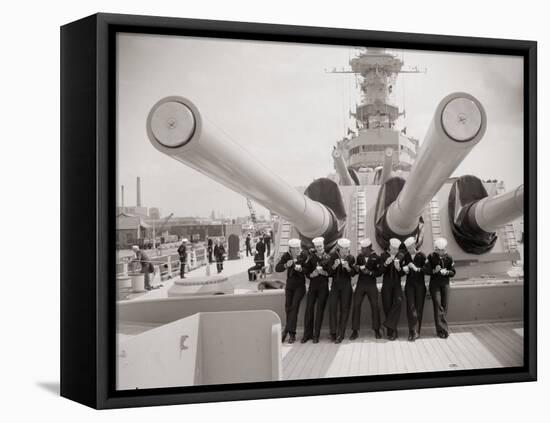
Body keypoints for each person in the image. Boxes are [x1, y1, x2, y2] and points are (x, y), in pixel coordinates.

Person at [275, 238, 308, 344]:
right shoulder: (286, 256)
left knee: (294, 307)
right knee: (288, 308)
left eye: (299, 248)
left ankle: (289, 333)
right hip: (289, 286)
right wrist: (286, 265)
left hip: (300, 286)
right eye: (295, 249)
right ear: (290, 249)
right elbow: (277, 268)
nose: (298, 250)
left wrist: (301, 269)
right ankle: (289, 332)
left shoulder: (303, 256)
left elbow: (308, 269)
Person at [350, 238, 382, 340]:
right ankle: (355, 331)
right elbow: (356, 271)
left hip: (371, 284)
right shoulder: (359, 257)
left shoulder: (376, 258)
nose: (361, 250)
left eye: (363, 248)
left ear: (368, 248)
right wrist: (355, 269)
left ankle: (376, 330)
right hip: (361, 284)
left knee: (375, 306)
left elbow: (379, 272)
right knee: (356, 306)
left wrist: (370, 272)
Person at [424, 237, 456, 338]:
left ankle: (443, 329)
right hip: (435, 285)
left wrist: (447, 272)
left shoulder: (449, 258)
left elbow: (453, 272)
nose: (440, 252)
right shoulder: (431, 256)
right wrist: (434, 270)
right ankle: (441, 330)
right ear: (436, 249)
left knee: (444, 306)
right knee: (438, 306)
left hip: (445, 284)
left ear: (445, 249)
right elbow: (426, 270)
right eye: (438, 250)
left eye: (442, 250)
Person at [301, 237, 330, 344]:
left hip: (323, 287)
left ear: (323, 246)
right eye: (317, 247)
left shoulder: (328, 257)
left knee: (319, 311)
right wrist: (311, 275)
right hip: (313, 287)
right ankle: (306, 335)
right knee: (309, 310)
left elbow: (331, 272)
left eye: (320, 246)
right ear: (315, 247)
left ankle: (316, 335)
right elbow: (306, 271)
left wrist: (324, 273)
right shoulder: (312, 258)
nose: (319, 248)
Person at [328, 238, 356, 343]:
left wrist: (348, 268)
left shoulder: (351, 257)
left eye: (347, 249)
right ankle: (333, 333)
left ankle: (341, 334)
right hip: (335, 285)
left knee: (345, 309)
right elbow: (329, 273)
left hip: (346, 286)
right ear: (339, 248)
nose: (346, 251)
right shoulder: (333, 256)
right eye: (344, 249)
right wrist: (334, 266)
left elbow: (353, 273)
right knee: (332, 308)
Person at [402, 236, 427, 341]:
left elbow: (427, 270)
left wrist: (417, 269)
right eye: (407, 248)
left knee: (419, 308)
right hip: (410, 285)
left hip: (420, 285)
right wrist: (405, 269)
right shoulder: (406, 256)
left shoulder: (422, 256)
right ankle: (411, 331)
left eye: (410, 247)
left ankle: (417, 331)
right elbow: (402, 269)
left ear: (415, 245)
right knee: (410, 308)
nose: (409, 249)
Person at [380, 238, 405, 340]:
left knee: (399, 301)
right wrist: (385, 263)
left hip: (397, 285)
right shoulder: (383, 256)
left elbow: (403, 273)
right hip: (386, 285)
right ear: (390, 247)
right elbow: (379, 272)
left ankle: (387, 325)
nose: (395, 251)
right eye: (393, 249)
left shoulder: (401, 256)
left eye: (397, 249)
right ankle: (392, 332)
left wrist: (399, 268)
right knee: (387, 307)